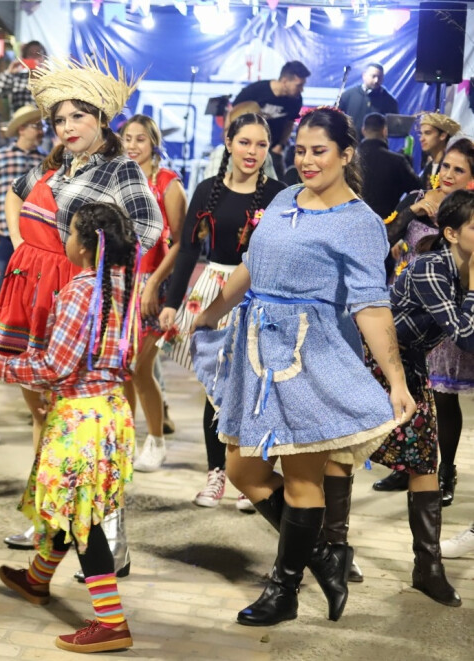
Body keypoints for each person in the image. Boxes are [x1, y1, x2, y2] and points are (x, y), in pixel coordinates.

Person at [189, 107, 415, 627]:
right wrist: (212, 312)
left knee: (300, 480)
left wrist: (396, 379)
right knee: (242, 470)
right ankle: (322, 557)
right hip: (258, 353)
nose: (307, 161)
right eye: (301, 151)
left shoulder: (359, 222)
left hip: (312, 357)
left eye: (320, 151)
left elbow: (371, 305)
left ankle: (284, 590)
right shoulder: (285, 196)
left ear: (346, 154)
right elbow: (253, 264)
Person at [0, 202, 139, 654]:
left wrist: (0, 363)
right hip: (110, 413)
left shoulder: (80, 292)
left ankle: (111, 622)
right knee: (67, 504)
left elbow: (54, 366)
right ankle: (37, 578)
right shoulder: (127, 286)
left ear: (85, 246)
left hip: (81, 421)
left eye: (68, 233)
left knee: (82, 519)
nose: (64, 239)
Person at [347, 189, 473, 608]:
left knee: (423, 461)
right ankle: (332, 550)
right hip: (370, 358)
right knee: (344, 453)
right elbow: (465, 335)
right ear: (451, 234)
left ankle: (428, 569)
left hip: (410, 364)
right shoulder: (430, 269)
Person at [159, 112, 286, 511]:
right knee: (215, 392)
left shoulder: (279, 194)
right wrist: (171, 303)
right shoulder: (206, 190)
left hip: (259, 296)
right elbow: (187, 251)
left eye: (261, 144)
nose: (252, 151)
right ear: (228, 143)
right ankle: (216, 474)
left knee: (257, 391)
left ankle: (253, 474)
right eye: (244, 142)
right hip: (213, 291)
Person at [377, 138, 474, 503]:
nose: (447, 174)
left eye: (458, 169)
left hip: (449, 313)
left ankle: (443, 472)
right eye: (445, 165)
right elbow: (382, 239)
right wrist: (410, 212)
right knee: (408, 393)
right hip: (413, 310)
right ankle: (408, 466)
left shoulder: (469, 215)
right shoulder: (417, 198)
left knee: (441, 399)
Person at [121, 114, 187, 473]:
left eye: (140, 139)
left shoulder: (167, 183)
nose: (132, 145)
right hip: (119, 283)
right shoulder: (116, 178)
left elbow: (182, 243)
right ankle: (125, 441)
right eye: (127, 138)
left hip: (153, 285)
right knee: (121, 368)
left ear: (153, 143)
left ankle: (157, 441)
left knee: (140, 367)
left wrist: (152, 283)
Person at [0, 104, 45, 301]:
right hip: (3, 233)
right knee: (0, 286)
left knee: (30, 289)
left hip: (35, 236)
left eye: (42, 126)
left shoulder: (46, 161)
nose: (41, 131)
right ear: (22, 129)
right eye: (36, 126)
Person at [234, 61, 311, 175]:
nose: (301, 90)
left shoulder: (296, 100)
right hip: (248, 149)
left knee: (278, 182)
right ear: (285, 81)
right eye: (299, 85)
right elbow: (233, 114)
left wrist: (280, 146)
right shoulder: (254, 91)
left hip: (273, 150)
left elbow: (289, 124)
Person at [359, 112, 420, 220]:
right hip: (386, 224)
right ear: (384, 131)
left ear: (363, 130)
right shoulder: (398, 161)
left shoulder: (348, 160)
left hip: (352, 223)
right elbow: (417, 191)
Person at [204, 101, 277, 181]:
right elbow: (213, 186)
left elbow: (274, 186)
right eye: (227, 130)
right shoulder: (221, 154)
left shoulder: (264, 156)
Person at [338, 63, 399, 136]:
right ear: (364, 75)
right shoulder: (348, 95)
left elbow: (394, 127)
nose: (376, 80)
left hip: (376, 142)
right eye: (373, 76)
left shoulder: (389, 101)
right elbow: (337, 119)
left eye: (380, 77)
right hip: (350, 140)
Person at [0, 41, 47, 114]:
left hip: (43, 120)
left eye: (38, 54)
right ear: (25, 58)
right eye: (30, 54)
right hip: (19, 120)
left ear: (44, 57)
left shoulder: (52, 80)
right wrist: (9, 72)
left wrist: (46, 76)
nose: (34, 57)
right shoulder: (17, 78)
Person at [416, 112, 461, 190]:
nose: (421, 139)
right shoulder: (429, 167)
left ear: (442, 136)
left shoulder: (451, 166)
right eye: (421, 134)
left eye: (427, 133)